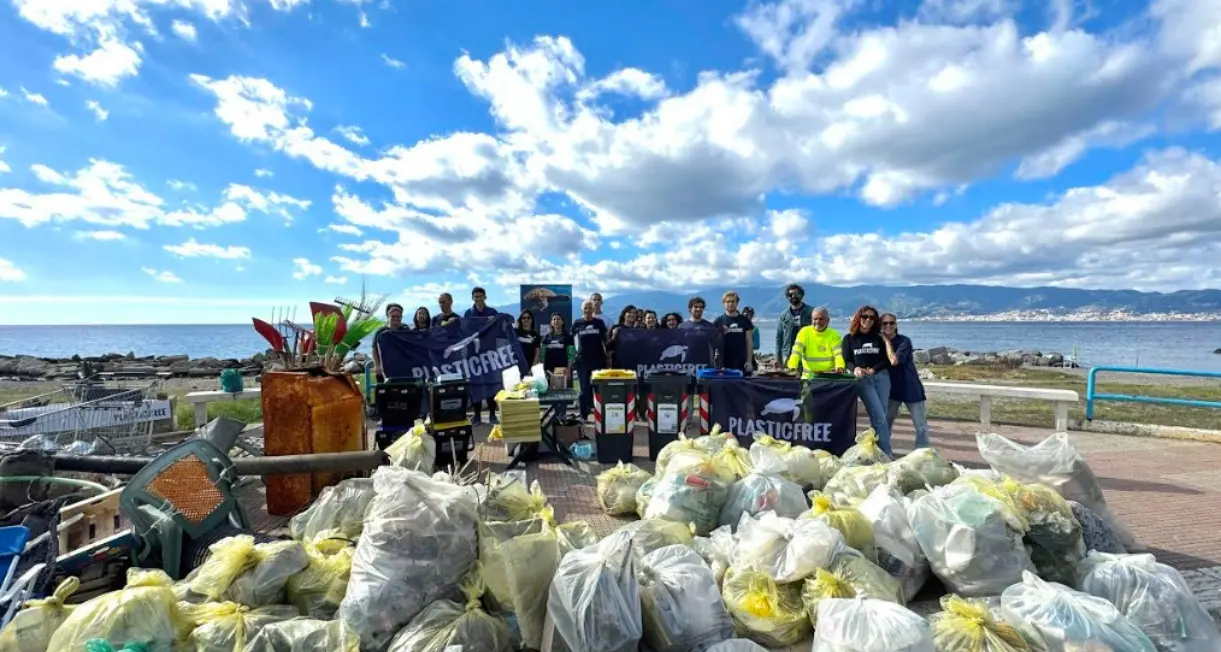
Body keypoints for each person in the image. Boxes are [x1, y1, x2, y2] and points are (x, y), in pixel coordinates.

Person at [842, 305, 897, 457]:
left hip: (882, 377)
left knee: (880, 417)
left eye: (872, 317)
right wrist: (855, 369)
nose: (868, 320)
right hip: (863, 380)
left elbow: (886, 359)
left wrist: (874, 369)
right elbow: (847, 360)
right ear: (858, 318)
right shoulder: (849, 339)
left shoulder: (879, 338)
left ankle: (876, 451)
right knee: (879, 416)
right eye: (865, 316)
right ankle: (887, 453)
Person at [881, 313, 930, 449]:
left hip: (911, 388)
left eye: (891, 323)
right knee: (885, 424)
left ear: (896, 325)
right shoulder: (877, 343)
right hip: (891, 390)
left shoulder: (904, 341)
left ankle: (923, 453)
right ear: (880, 326)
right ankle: (883, 451)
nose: (888, 325)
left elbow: (895, 361)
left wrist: (886, 341)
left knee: (921, 426)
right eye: (885, 323)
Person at [571, 299, 609, 420]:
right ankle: (584, 415)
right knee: (584, 389)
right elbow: (572, 342)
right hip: (582, 361)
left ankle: (601, 414)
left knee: (599, 388)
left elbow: (605, 340)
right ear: (582, 310)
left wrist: (607, 357)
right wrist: (573, 357)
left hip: (598, 359)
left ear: (594, 310)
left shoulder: (599, 323)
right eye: (585, 308)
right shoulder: (577, 323)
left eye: (590, 308)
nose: (588, 310)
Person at [786, 306, 844, 378]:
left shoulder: (834, 335)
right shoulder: (804, 332)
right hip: (808, 377)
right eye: (815, 319)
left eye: (821, 319)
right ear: (811, 320)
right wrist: (792, 366)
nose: (817, 322)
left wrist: (840, 366)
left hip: (829, 377)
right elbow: (796, 351)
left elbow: (838, 353)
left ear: (828, 320)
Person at [714, 291, 754, 373]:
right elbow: (714, 342)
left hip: (741, 363)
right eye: (728, 301)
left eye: (733, 301)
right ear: (724, 303)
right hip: (723, 363)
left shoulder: (745, 321)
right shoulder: (718, 321)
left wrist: (749, 361)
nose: (730, 304)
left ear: (737, 303)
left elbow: (749, 342)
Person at [776, 283, 814, 366]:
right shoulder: (784, 315)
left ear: (802, 295)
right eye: (790, 294)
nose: (793, 296)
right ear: (787, 297)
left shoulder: (812, 312)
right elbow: (779, 338)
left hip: (807, 354)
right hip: (788, 355)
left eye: (796, 293)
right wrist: (778, 359)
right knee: (788, 378)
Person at [372, 303, 405, 383]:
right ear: (388, 316)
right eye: (393, 316)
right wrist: (377, 365)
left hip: (402, 367)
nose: (396, 319)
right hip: (385, 367)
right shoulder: (380, 331)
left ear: (401, 317)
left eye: (398, 317)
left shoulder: (406, 330)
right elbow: (374, 349)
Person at [541, 313, 573, 383]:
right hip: (548, 370)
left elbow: (571, 355)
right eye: (554, 319)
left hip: (562, 370)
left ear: (562, 322)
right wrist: (542, 369)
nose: (556, 321)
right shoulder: (546, 337)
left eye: (558, 319)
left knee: (562, 392)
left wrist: (568, 370)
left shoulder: (568, 337)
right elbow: (542, 355)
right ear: (551, 322)